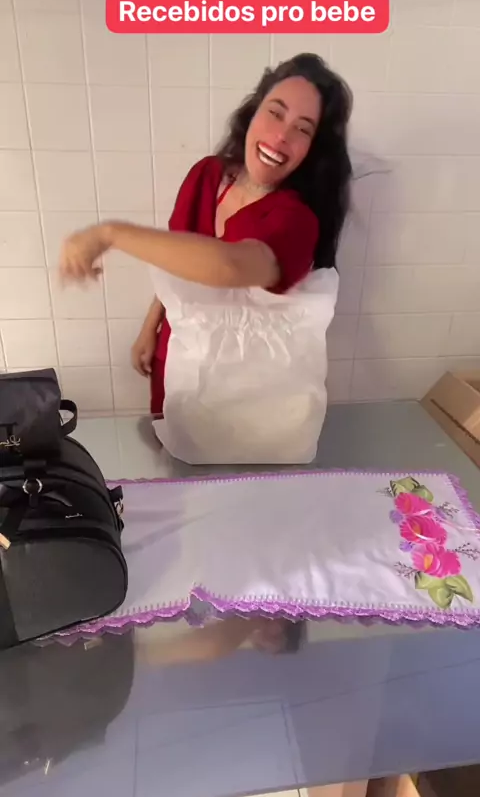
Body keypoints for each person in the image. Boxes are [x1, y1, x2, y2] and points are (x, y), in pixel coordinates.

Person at [59, 52, 353, 654]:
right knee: (181, 487)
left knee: (222, 523)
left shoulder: (296, 219)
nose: (281, 136)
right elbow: (182, 258)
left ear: (314, 149)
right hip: (183, 372)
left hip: (251, 417)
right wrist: (151, 324)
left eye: (303, 129)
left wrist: (110, 233)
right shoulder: (206, 176)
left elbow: (227, 266)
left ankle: (177, 615)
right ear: (253, 110)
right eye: (276, 112)